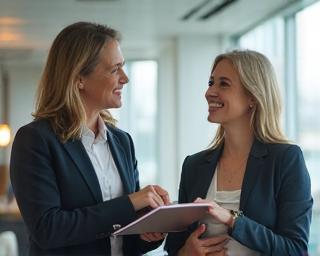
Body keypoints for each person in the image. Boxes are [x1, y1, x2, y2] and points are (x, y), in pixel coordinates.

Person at [10, 22, 170, 256]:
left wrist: (149, 230)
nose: (125, 78)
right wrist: (130, 203)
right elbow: (48, 229)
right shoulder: (35, 140)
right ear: (79, 78)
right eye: (115, 69)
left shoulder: (122, 142)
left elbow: (125, 238)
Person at [165, 50, 313, 256]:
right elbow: (173, 247)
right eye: (211, 83)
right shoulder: (193, 165)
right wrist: (185, 253)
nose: (209, 92)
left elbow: (295, 250)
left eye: (223, 84)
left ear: (253, 96)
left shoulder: (286, 159)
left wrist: (231, 219)